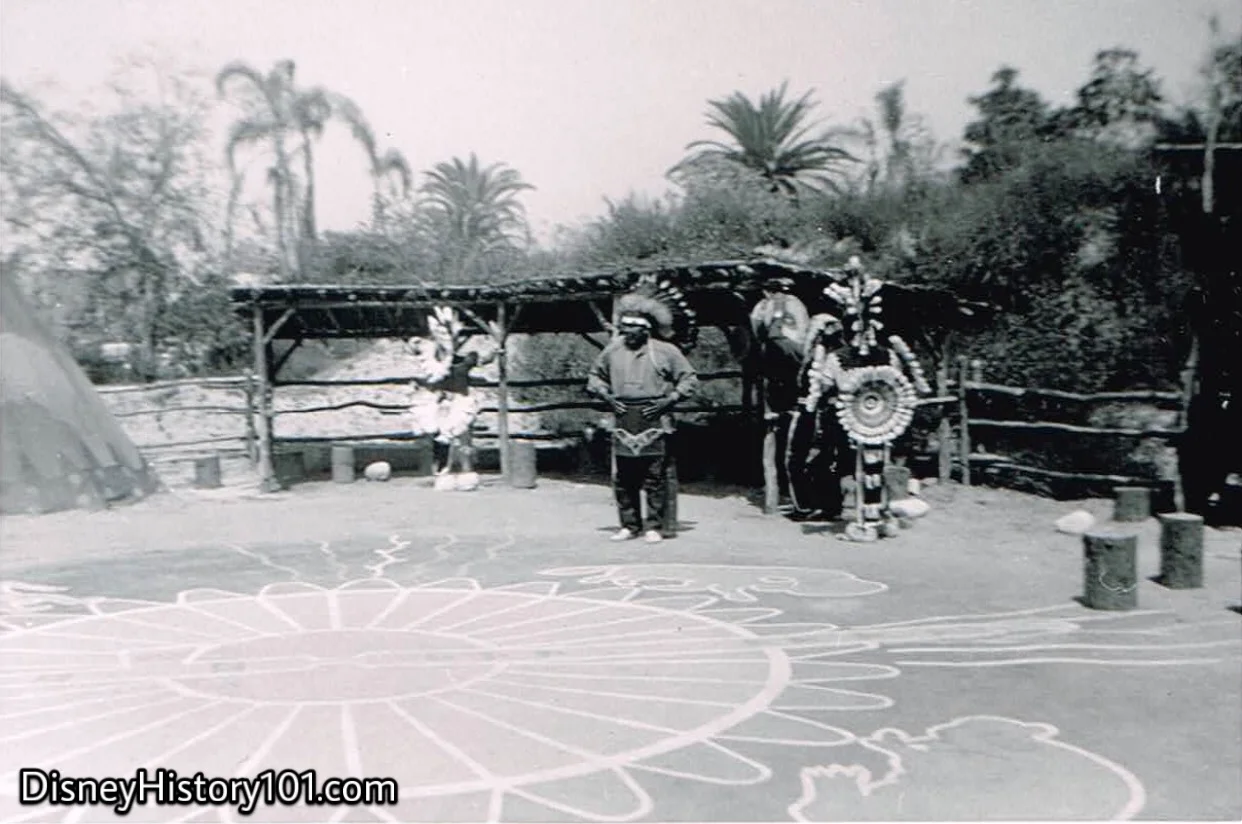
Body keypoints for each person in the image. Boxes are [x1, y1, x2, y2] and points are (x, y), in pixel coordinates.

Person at [587, 305, 698, 543]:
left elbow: (688, 378)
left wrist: (670, 399)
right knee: (624, 476)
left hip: (654, 416)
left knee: (654, 475)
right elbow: (594, 376)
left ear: (646, 330)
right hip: (622, 416)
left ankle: (654, 526)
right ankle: (629, 525)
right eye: (625, 328)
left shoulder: (665, 351)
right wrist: (607, 397)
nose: (628, 333)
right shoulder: (613, 351)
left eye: (633, 329)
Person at [785, 313, 849, 521]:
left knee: (798, 458)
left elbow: (816, 388)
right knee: (825, 459)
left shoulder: (821, 358)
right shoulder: (840, 357)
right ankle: (827, 505)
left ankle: (807, 505)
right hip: (828, 414)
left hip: (812, 413)